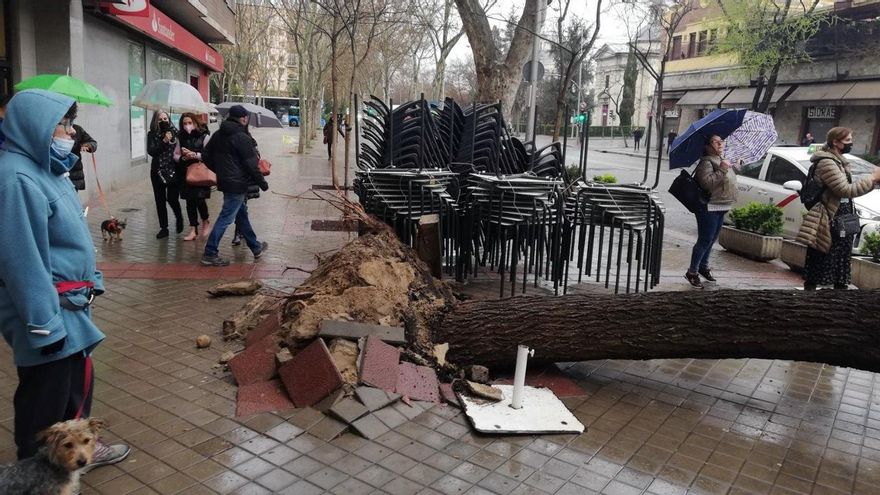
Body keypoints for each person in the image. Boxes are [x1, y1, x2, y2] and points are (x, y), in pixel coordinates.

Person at [0, 89, 130, 467]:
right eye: (63, 125)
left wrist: (94, 278)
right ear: (34, 126)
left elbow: (69, 238)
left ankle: (78, 452)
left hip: (69, 305)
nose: (70, 133)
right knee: (45, 397)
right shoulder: (16, 178)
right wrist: (44, 325)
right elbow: (21, 260)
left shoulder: (48, 169)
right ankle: (35, 472)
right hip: (46, 312)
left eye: (71, 124)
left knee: (73, 387)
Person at [796, 127, 880, 290]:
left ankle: (836, 294)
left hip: (841, 215)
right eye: (847, 141)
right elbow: (845, 190)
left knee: (840, 258)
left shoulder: (839, 160)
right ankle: (812, 294)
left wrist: (872, 182)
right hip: (830, 216)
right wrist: (871, 178)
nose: (851, 143)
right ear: (835, 142)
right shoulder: (827, 162)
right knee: (823, 253)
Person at [200, 104, 268, 266]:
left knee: (241, 215)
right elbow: (251, 165)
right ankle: (210, 252)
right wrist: (262, 183)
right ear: (243, 118)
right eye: (246, 118)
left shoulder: (218, 134)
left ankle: (255, 247)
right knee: (226, 217)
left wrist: (218, 170)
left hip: (226, 181)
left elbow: (205, 155)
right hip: (237, 184)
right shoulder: (242, 138)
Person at [685, 135, 737, 289]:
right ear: (708, 145)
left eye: (721, 141)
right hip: (709, 207)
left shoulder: (720, 158)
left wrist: (734, 167)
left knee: (712, 239)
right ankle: (692, 271)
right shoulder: (706, 162)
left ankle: (703, 266)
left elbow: (726, 180)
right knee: (705, 239)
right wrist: (722, 168)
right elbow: (707, 183)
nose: (720, 143)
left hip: (721, 205)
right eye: (716, 141)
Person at [174, 113, 212, 241]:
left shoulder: (205, 137)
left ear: (195, 123)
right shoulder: (180, 137)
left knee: (200, 199)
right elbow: (175, 155)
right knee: (190, 201)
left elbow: (209, 155)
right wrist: (183, 157)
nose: (187, 126)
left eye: (189, 123)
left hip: (200, 172)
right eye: (184, 123)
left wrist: (195, 155)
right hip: (185, 172)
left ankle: (205, 220)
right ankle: (193, 229)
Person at [147, 110, 183, 239]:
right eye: (160, 119)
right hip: (157, 172)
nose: (164, 121)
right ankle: (164, 228)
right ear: (155, 121)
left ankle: (179, 217)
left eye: (165, 118)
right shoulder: (152, 135)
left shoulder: (176, 133)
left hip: (173, 171)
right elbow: (151, 151)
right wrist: (164, 141)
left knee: (172, 198)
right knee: (160, 200)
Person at [67, 123, 97, 191]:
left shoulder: (77, 129)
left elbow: (93, 142)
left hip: (73, 176)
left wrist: (88, 145)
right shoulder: (50, 129)